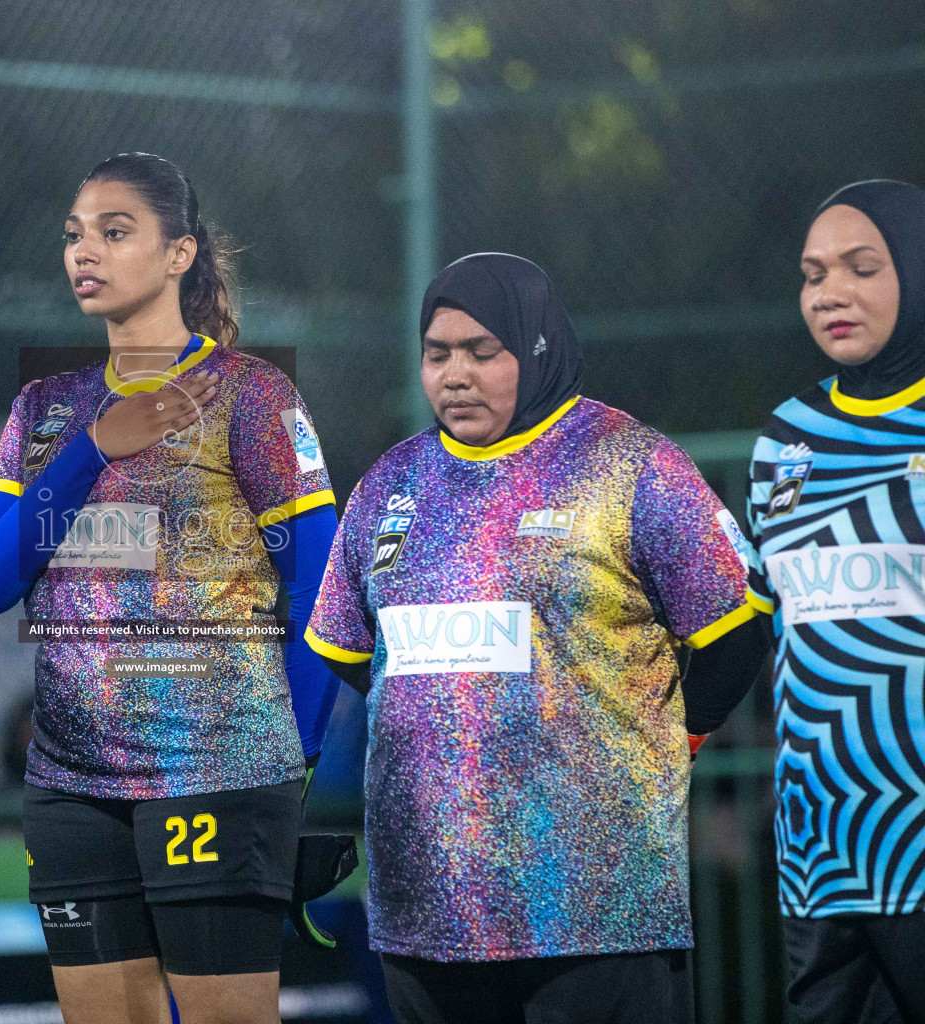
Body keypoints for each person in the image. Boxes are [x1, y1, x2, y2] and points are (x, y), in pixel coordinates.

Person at [306, 253, 766, 1024]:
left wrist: (673, 738)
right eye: (438, 352)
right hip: (427, 909)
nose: (456, 373)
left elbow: (738, 630)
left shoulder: (628, 463)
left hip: (595, 909)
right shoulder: (389, 483)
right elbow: (349, 656)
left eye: (483, 351)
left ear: (539, 347)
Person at [0, 152, 341, 1024]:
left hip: (217, 769)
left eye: (115, 231)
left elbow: (319, 588)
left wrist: (296, 763)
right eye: (73, 235)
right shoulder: (47, 407)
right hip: (69, 783)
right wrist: (96, 444)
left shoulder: (248, 393)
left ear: (179, 254)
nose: (84, 251)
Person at [746, 179, 925, 1024]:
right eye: (815, 275)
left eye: (864, 268)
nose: (832, 294)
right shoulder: (785, 436)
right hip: (820, 845)